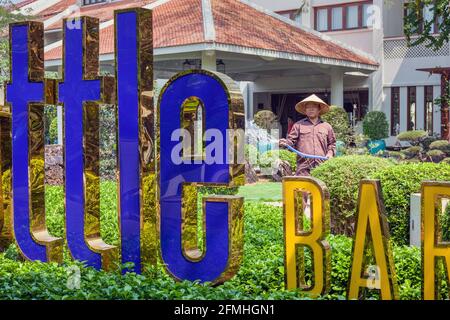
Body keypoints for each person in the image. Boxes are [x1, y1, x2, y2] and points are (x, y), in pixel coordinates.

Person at [279, 94, 336, 177]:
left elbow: (332, 144)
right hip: (303, 168)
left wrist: (330, 153)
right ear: (305, 110)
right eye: (308, 107)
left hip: (322, 166)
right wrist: (285, 143)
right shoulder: (298, 125)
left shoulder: (327, 126)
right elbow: (291, 141)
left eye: (314, 107)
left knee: (321, 189)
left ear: (319, 109)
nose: (311, 109)